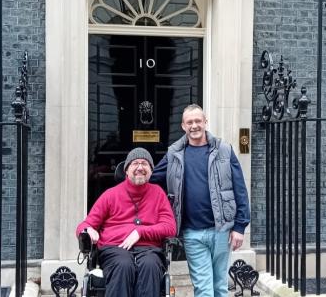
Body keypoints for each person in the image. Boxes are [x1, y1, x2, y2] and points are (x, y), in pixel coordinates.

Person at [151, 104, 250, 297]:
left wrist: (240, 227)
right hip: (192, 233)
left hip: (222, 230)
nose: (194, 125)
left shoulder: (224, 150)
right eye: (190, 122)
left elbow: (240, 190)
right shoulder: (174, 154)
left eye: (198, 121)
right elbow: (152, 179)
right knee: (204, 289)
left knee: (220, 287)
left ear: (205, 122)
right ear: (183, 126)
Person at [76, 147, 176, 297]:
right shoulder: (110, 195)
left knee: (149, 265)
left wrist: (141, 232)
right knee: (123, 265)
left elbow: (170, 227)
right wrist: (88, 230)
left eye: (145, 164)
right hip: (115, 249)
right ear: (127, 170)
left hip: (149, 249)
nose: (140, 168)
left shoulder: (158, 193)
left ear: (151, 170)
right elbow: (85, 225)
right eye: (135, 163)